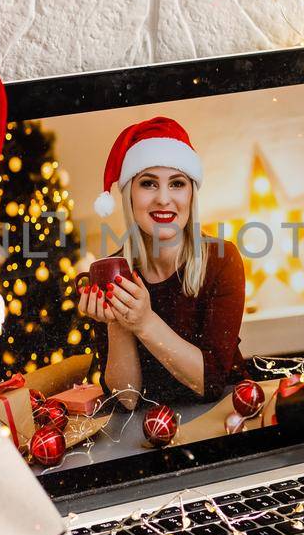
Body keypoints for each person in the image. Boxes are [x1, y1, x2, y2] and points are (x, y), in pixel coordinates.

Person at [79, 117, 246, 408]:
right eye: (148, 184)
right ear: (129, 194)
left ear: (191, 193)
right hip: (149, 428)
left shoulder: (222, 259)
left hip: (225, 413)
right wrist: (117, 322)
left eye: (177, 183)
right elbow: (127, 400)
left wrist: (144, 322)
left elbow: (211, 383)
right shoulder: (113, 271)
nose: (164, 199)